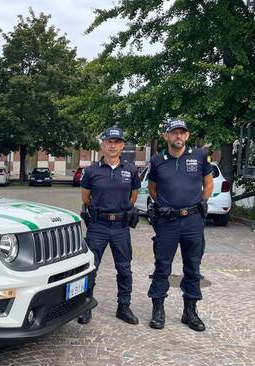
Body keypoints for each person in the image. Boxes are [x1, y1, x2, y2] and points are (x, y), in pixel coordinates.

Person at [147, 118, 213, 331]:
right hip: (168, 221)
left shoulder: (200, 156)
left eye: (182, 133)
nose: (178, 136)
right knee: (162, 266)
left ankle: (190, 311)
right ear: (166, 136)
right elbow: (153, 189)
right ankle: (158, 309)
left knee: (193, 266)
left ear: (187, 135)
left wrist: (200, 202)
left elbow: (208, 183)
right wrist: (164, 205)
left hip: (193, 220)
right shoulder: (157, 160)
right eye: (174, 132)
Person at [79, 127, 141, 325]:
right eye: (109, 142)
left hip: (121, 227)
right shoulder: (91, 171)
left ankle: (124, 306)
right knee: (91, 267)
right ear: (102, 145)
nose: (113, 146)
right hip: (98, 226)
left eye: (117, 142)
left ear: (122, 145)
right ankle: (86, 305)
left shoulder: (131, 170)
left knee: (124, 268)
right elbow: (87, 198)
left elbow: (133, 196)